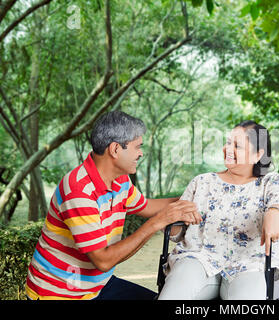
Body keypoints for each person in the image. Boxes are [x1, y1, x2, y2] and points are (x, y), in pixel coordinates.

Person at [25, 111, 201, 300]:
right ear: (116, 149)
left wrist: (198, 194)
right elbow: (103, 260)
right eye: (137, 147)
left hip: (98, 286)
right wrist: (158, 222)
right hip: (59, 294)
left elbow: (147, 206)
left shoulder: (120, 180)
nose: (140, 153)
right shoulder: (79, 190)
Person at [158, 120, 279, 300]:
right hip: (199, 259)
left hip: (250, 263)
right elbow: (178, 231)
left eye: (237, 146)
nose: (228, 149)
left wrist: (274, 213)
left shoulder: (269, 182)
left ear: (257, 155)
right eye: (227, 142)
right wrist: (168, 219)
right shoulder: (202, 182)